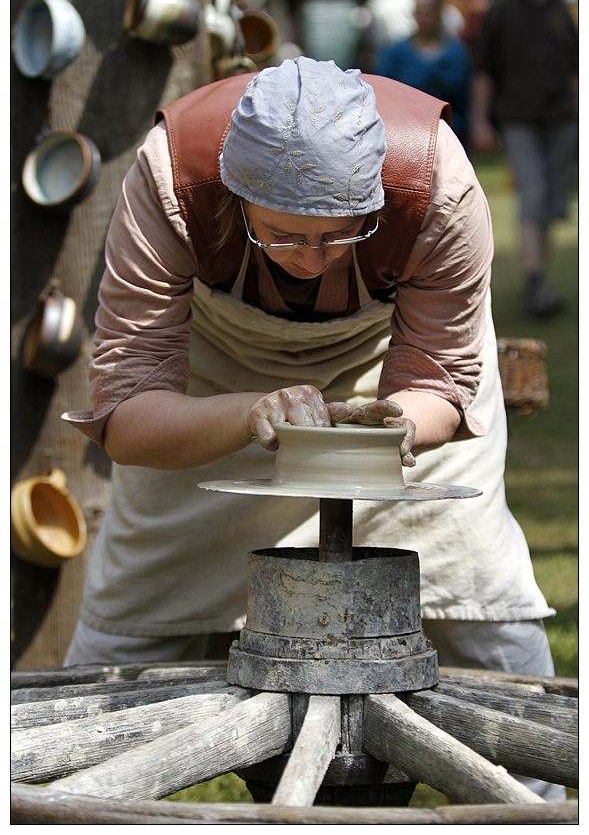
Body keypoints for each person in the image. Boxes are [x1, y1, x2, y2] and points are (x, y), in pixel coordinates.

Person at [63, 57, 563, 800]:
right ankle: (67, 791)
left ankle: (544, 799)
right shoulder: (171, 178)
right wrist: (246, 412)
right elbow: (129, 416)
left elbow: (438, 381)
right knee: (134, 604)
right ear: (236, 198)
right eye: (283, 236)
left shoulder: (438, 182)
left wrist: (392, 428)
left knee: (479, 588)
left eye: (338, 235)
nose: (308, 260)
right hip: (213, 379)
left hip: (389, 371)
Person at [471, 0, 578, 318]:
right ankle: (535, 281)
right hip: (519, 120)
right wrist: (481, 121)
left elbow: (575, 67)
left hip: (562, 119)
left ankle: (540, 280)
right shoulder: (500, 10)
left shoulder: (562, 8)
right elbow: (484, 70)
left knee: (551, 203)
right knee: (532, 195)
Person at [377, 0, 471, 149]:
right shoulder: (395, 52)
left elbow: (466, 97)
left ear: (439, 13)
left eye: (429, 11)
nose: (424, 18)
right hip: (406, 137)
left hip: (450, 134)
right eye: (420, 12)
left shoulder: (456, 51)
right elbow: (382, 94)